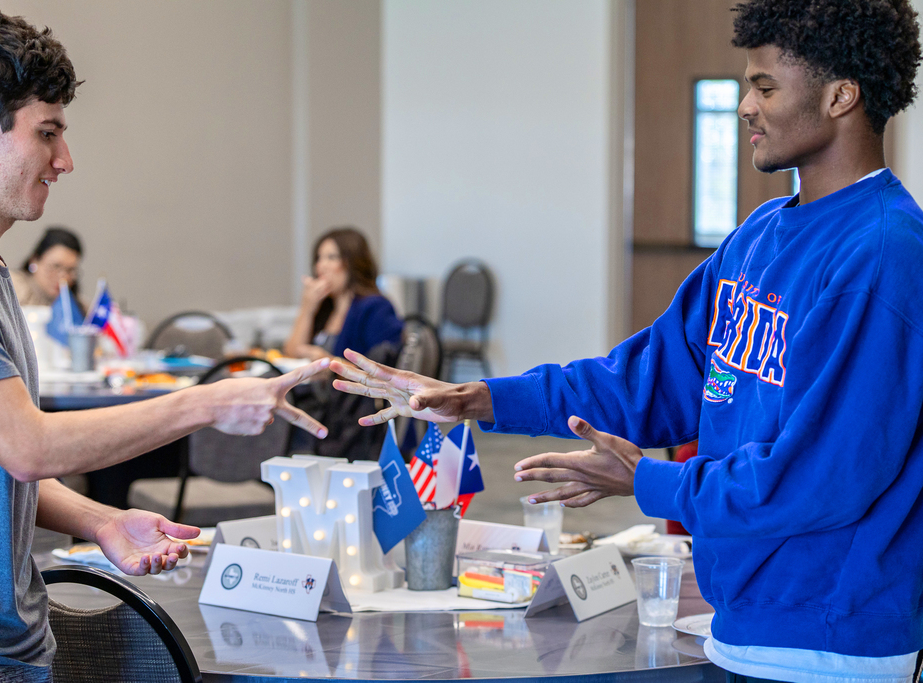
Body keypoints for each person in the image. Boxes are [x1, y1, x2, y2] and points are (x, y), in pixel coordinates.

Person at [331, 1, 923, 680]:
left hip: (831, 643)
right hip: (743, 625)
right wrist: (481, 399)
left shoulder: (883, 256)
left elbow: (821, 478)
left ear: (841, 95)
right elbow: (645, 378)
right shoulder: (760, 235)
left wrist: (648, 480)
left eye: (764, 87)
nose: (744, 107)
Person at [0, 9, 329, 680]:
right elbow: (29, 446)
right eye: (47, 134)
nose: (65, 161)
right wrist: (204, 404)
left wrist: (100, 520)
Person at [283, 226, 403, 361]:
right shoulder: (324, 307)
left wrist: (331, 366)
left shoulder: (375, 307)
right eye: (318, 258)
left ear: (352, 262)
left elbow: (383, 371)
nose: (321, 266)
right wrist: (307, 309)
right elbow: (292, 354)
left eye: (331, 257)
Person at [11, 226, 83, 307]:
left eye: (70, 270)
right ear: (34, 261)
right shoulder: (12, 287)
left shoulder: (76, 305)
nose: (63, 278)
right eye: (56, 266)